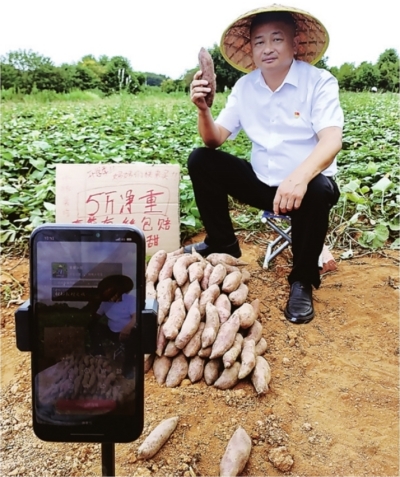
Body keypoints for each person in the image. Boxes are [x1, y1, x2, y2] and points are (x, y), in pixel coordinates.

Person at [183, 5, 343, 324]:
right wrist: (203, 110)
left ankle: (302, 280)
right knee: (201, 159)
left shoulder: (319, 82)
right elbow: (214, 139)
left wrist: (299, 178)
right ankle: (223, 243)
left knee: (319, 188)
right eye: (259, 42)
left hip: (308, 190)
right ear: (252, 50)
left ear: (294, 44)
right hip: (263, 184)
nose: (267, 48)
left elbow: (331, 140)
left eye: (276, 39)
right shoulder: (245, 87)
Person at [89, 274, 137, 376]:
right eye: (108, 296)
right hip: (112, 332)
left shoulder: (130, 300)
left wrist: (127, 328)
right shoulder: (105, 303)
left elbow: (135, 317)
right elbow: (96, 316)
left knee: (133, 337)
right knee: (95, 327)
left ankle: (128, 368)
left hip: (126, 333)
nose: (111, 299)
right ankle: (99, 354)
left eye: (113, 295)